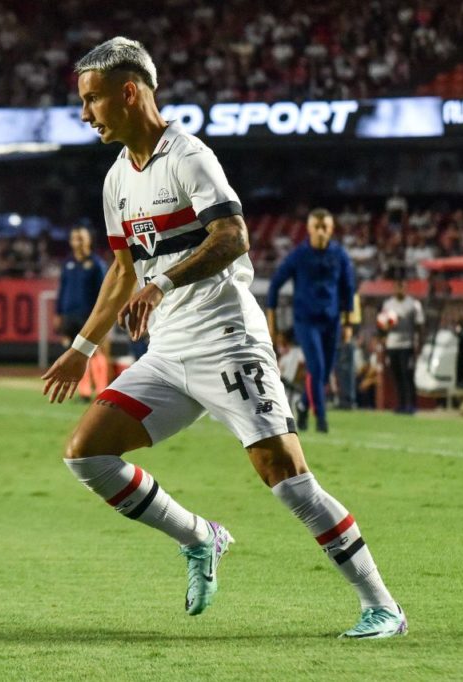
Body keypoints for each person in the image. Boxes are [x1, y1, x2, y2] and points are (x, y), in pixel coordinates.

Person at [41, 37, 405, 639]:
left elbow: (233, 236)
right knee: (87, 452)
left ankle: (383, 605)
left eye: (93, 99)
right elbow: (123, 270)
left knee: (286, 479)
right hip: (167, 351)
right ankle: (200, 538)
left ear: (129, 92)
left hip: (227, 338)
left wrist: (162, 283)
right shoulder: (115, 181)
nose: (86, 114)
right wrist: (81, 350)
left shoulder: (189, 157)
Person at [265, 208, 356, 433]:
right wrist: (272, 321)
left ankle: (303, 404)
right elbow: (275, 284)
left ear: (332, 228)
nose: (321, 231)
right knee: (315, 368)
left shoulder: (340, 255)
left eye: (325, 227)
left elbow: (348, 289)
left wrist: (348, 322)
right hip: (306, 322)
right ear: (309, 229)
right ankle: (322, 420)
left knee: (325, 372)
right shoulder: (299, 255)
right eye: (317, 227)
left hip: (332, 321)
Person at [56, 227, 110, 401]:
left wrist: (101, 316)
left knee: (95, 352)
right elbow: (62, 290)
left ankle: (102, 390)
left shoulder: (96, 264)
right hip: (70, 315)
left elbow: (104, 292)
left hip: (89, 315)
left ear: (88, 241)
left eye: (81, 239)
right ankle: (84, 391)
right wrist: (58, 313)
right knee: (75, 353)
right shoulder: (68, 264)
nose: (77, 242)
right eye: (74, 239)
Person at [380, 279, 425, 413]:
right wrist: (388, 325)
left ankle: (411, 404)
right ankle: (400, 403)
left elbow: (419, 325)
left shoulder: (413, 304)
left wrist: (418, 343)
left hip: (407, 344)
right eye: (397, 287)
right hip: (392, 343)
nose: (400, 289)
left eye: (402, 286)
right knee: (397, 375)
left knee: (407, 374)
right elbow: (382, 325)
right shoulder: (388, 304)